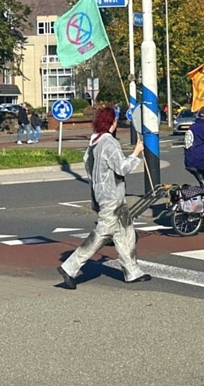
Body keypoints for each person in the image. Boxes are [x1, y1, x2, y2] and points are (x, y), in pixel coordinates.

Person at [57, 106, 150, 289]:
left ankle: (132, 271)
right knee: (102, 234)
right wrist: (136, 153)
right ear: (112, 123)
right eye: (115, 120)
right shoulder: (109, 143)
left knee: (125, 233)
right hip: (112, 197)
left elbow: (87, 165)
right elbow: (122, 168)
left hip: (103, 196)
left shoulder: (93, 144)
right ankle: (70, 267)